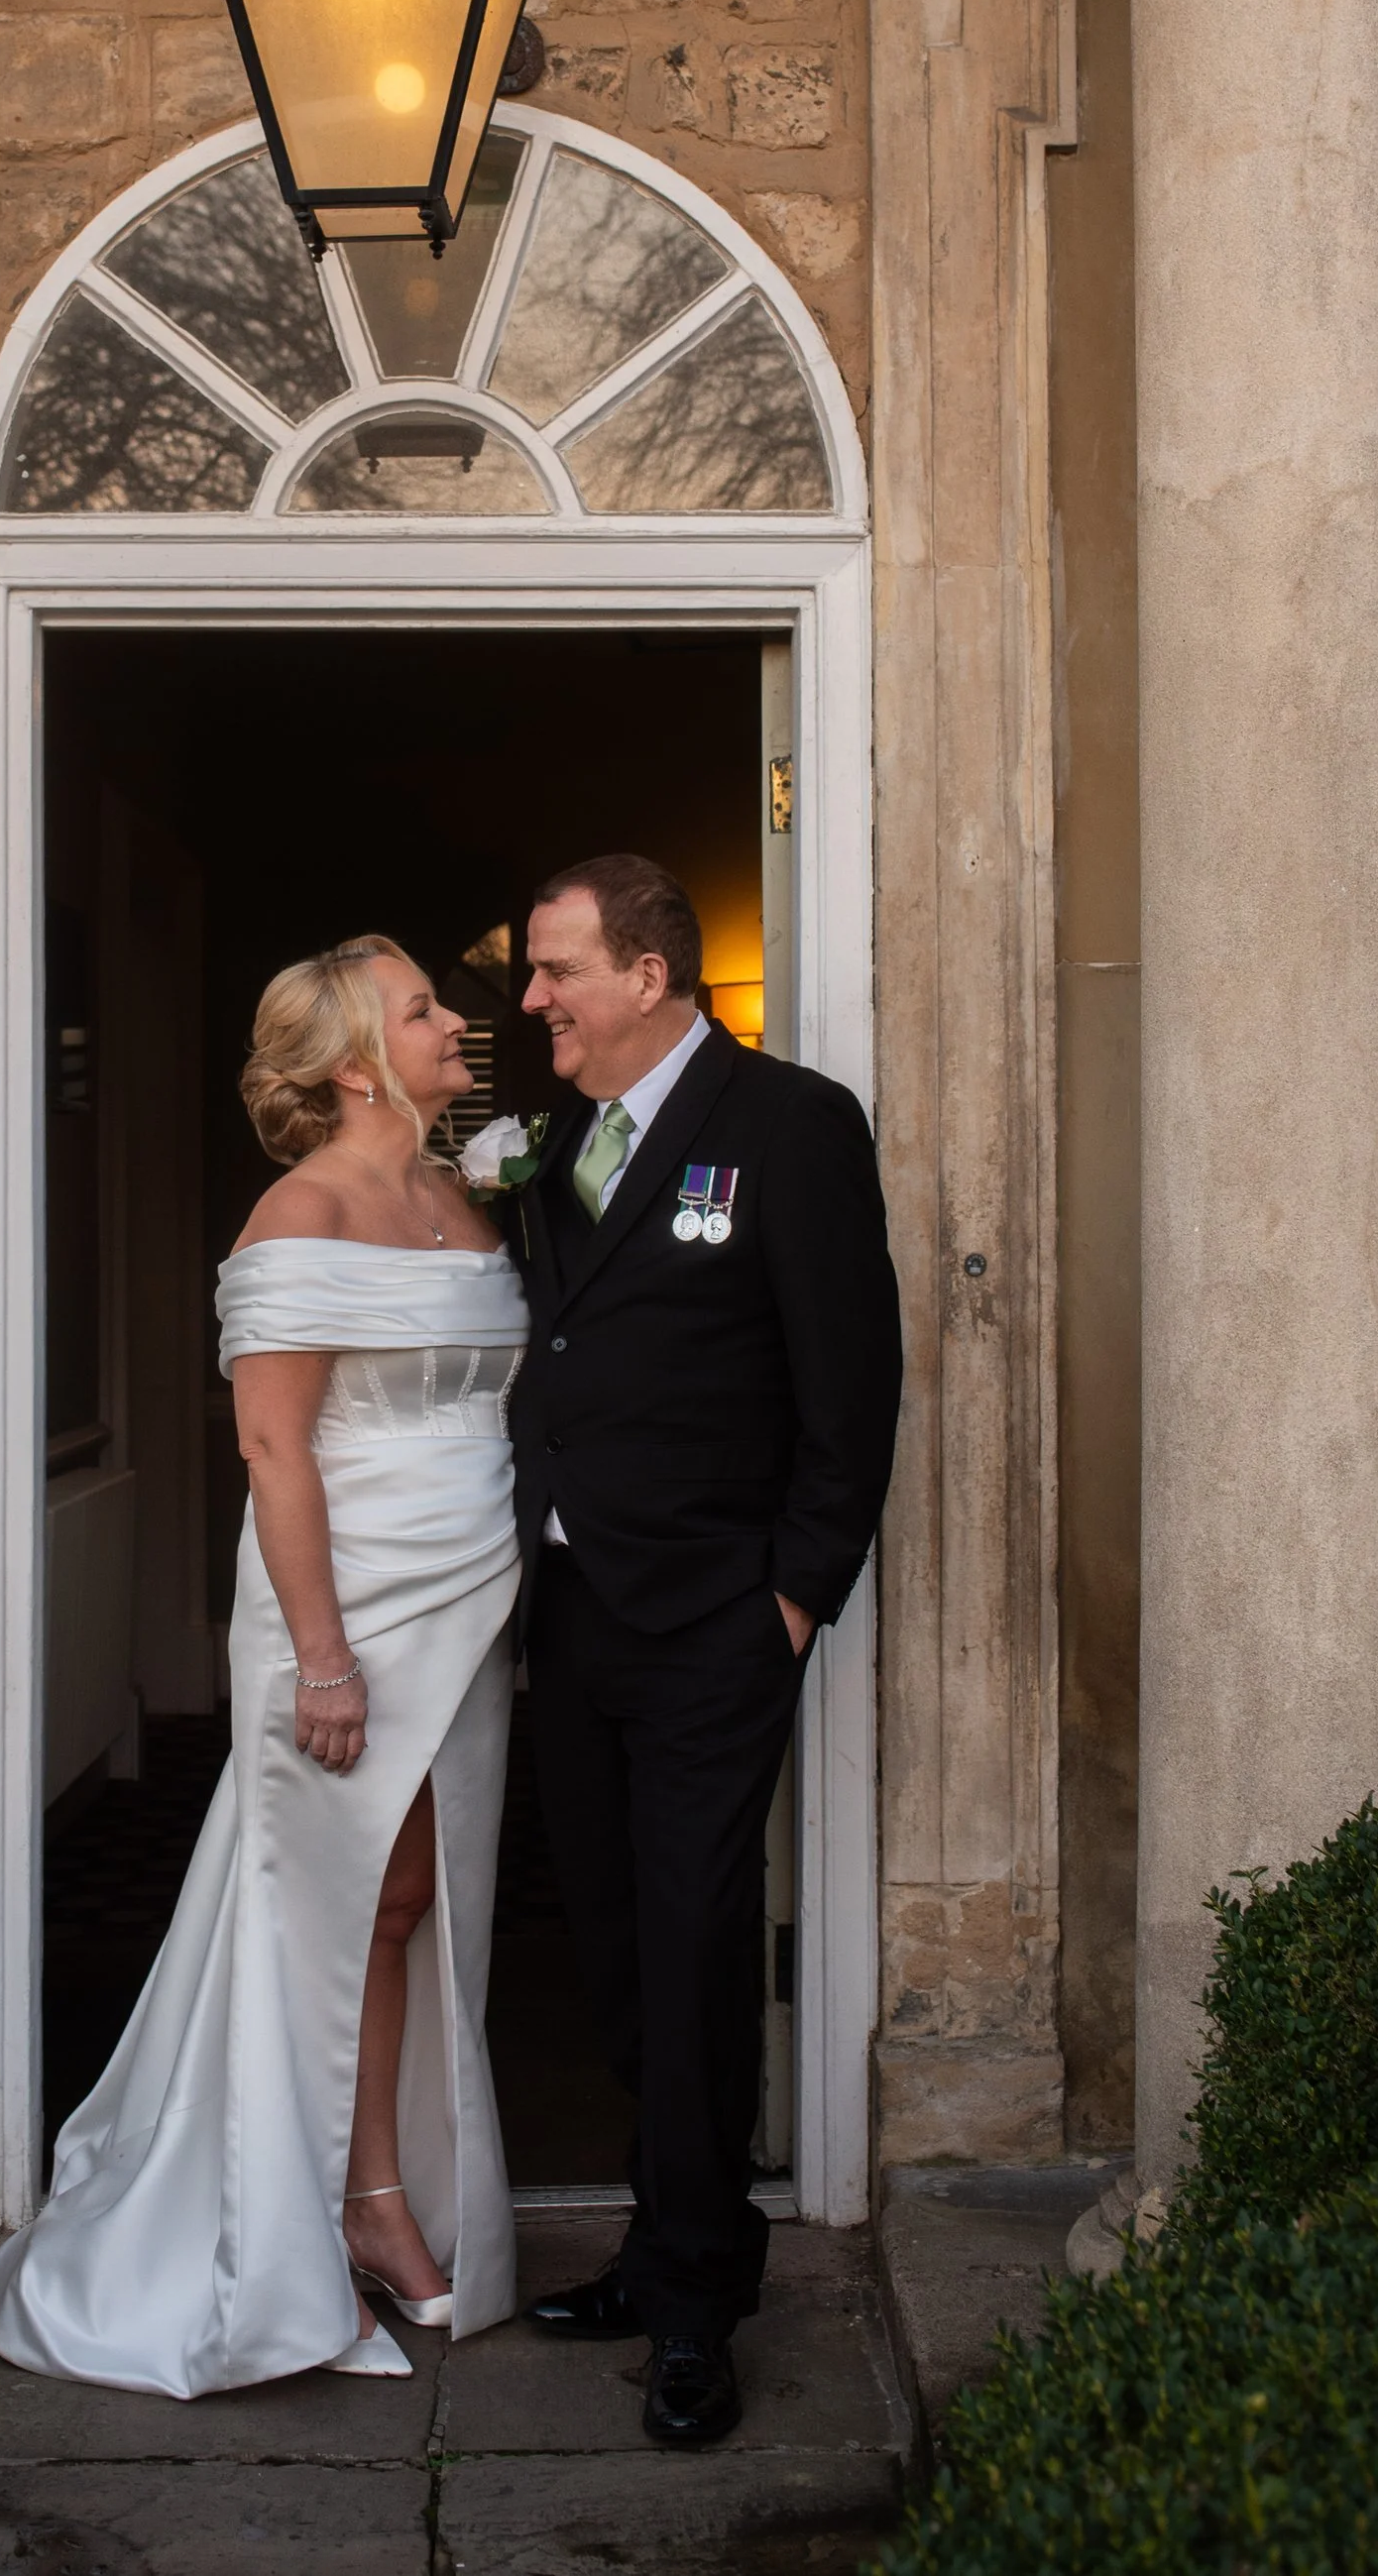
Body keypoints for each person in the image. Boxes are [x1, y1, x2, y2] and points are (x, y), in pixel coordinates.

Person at [0, 936, 529, 2397]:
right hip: (346, 1606)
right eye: (423, 1011)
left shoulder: (460, 1196)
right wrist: (325, 1664)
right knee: (318, 1914)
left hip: (471, 1599)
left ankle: (375, 2200)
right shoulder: (299, 1214)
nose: (453, 1023)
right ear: (356, 1063)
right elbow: (275, 1449)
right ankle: (283, 2245)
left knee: (406, 1903)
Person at [504, 852, 902, 2453]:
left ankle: (693, 2305)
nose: (530, 998)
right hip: (572, 1613)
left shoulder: (788, 1127)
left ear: (648, 977)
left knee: (693, 1949)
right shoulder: (543, 1151)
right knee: (603, 1937)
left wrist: (794, 1598)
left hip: (715, 1624)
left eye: (554, 970)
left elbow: (851, 1383)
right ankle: (665, 2237)